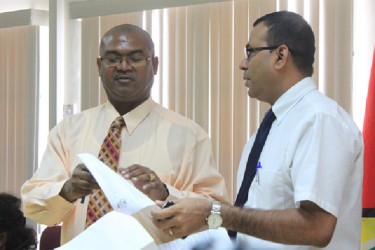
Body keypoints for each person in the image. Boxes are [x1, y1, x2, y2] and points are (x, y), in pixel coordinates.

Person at [151, 10, 363, 249]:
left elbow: (316, 227)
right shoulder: (271, 127)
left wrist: (214, 211)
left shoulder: (319, 120)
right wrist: (191, 218)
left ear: (280, 56)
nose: (243, 64)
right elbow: (251, 223)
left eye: (250, 52)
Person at [21, 24, 227, 245]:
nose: (123, 67)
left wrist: (165, 194)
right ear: (99, 66)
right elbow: (33, 208)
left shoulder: (189, 136)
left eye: (136, 58)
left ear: (154, 65)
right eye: (112, 59)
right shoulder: (68, 131)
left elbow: (217, 218)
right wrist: (67, 190)